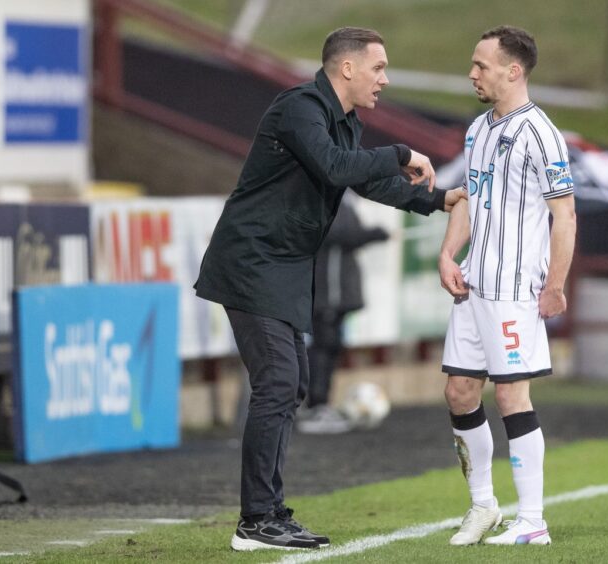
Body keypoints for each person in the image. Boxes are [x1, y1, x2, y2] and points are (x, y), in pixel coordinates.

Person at [194, 27, 464, 552]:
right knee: (277, 383)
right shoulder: (300, 107)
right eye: (379, 68)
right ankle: (256, 520)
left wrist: (439, 201)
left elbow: (365, 181)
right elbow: (338, 166)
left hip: (284, 267)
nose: (385, 79)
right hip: (251, 261)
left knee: (290, 385)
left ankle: (268, 512)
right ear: (346, 68)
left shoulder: (343, 119)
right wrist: (402, 150)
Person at [437, 26, 576, 546]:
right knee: (459, 390)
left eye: (482, 65)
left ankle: (533, 520)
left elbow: (564, 215)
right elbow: (470, 198)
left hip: (517, 290)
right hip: (475, 287)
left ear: (513, 71)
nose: (472, 74)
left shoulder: (541, 134)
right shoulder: (478, 130)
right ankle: (483, 507)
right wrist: (450, 253)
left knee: (513, 396)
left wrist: (555, 285)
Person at [297, 194, 389, 434]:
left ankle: (321, 403)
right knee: (322, 346)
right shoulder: (324, 195)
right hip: (326, 291)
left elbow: (348, 235)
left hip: (338, 292)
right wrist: (372, 234)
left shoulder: (346, 197)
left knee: (331, 346)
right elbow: (334, 233)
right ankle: (314, 405)